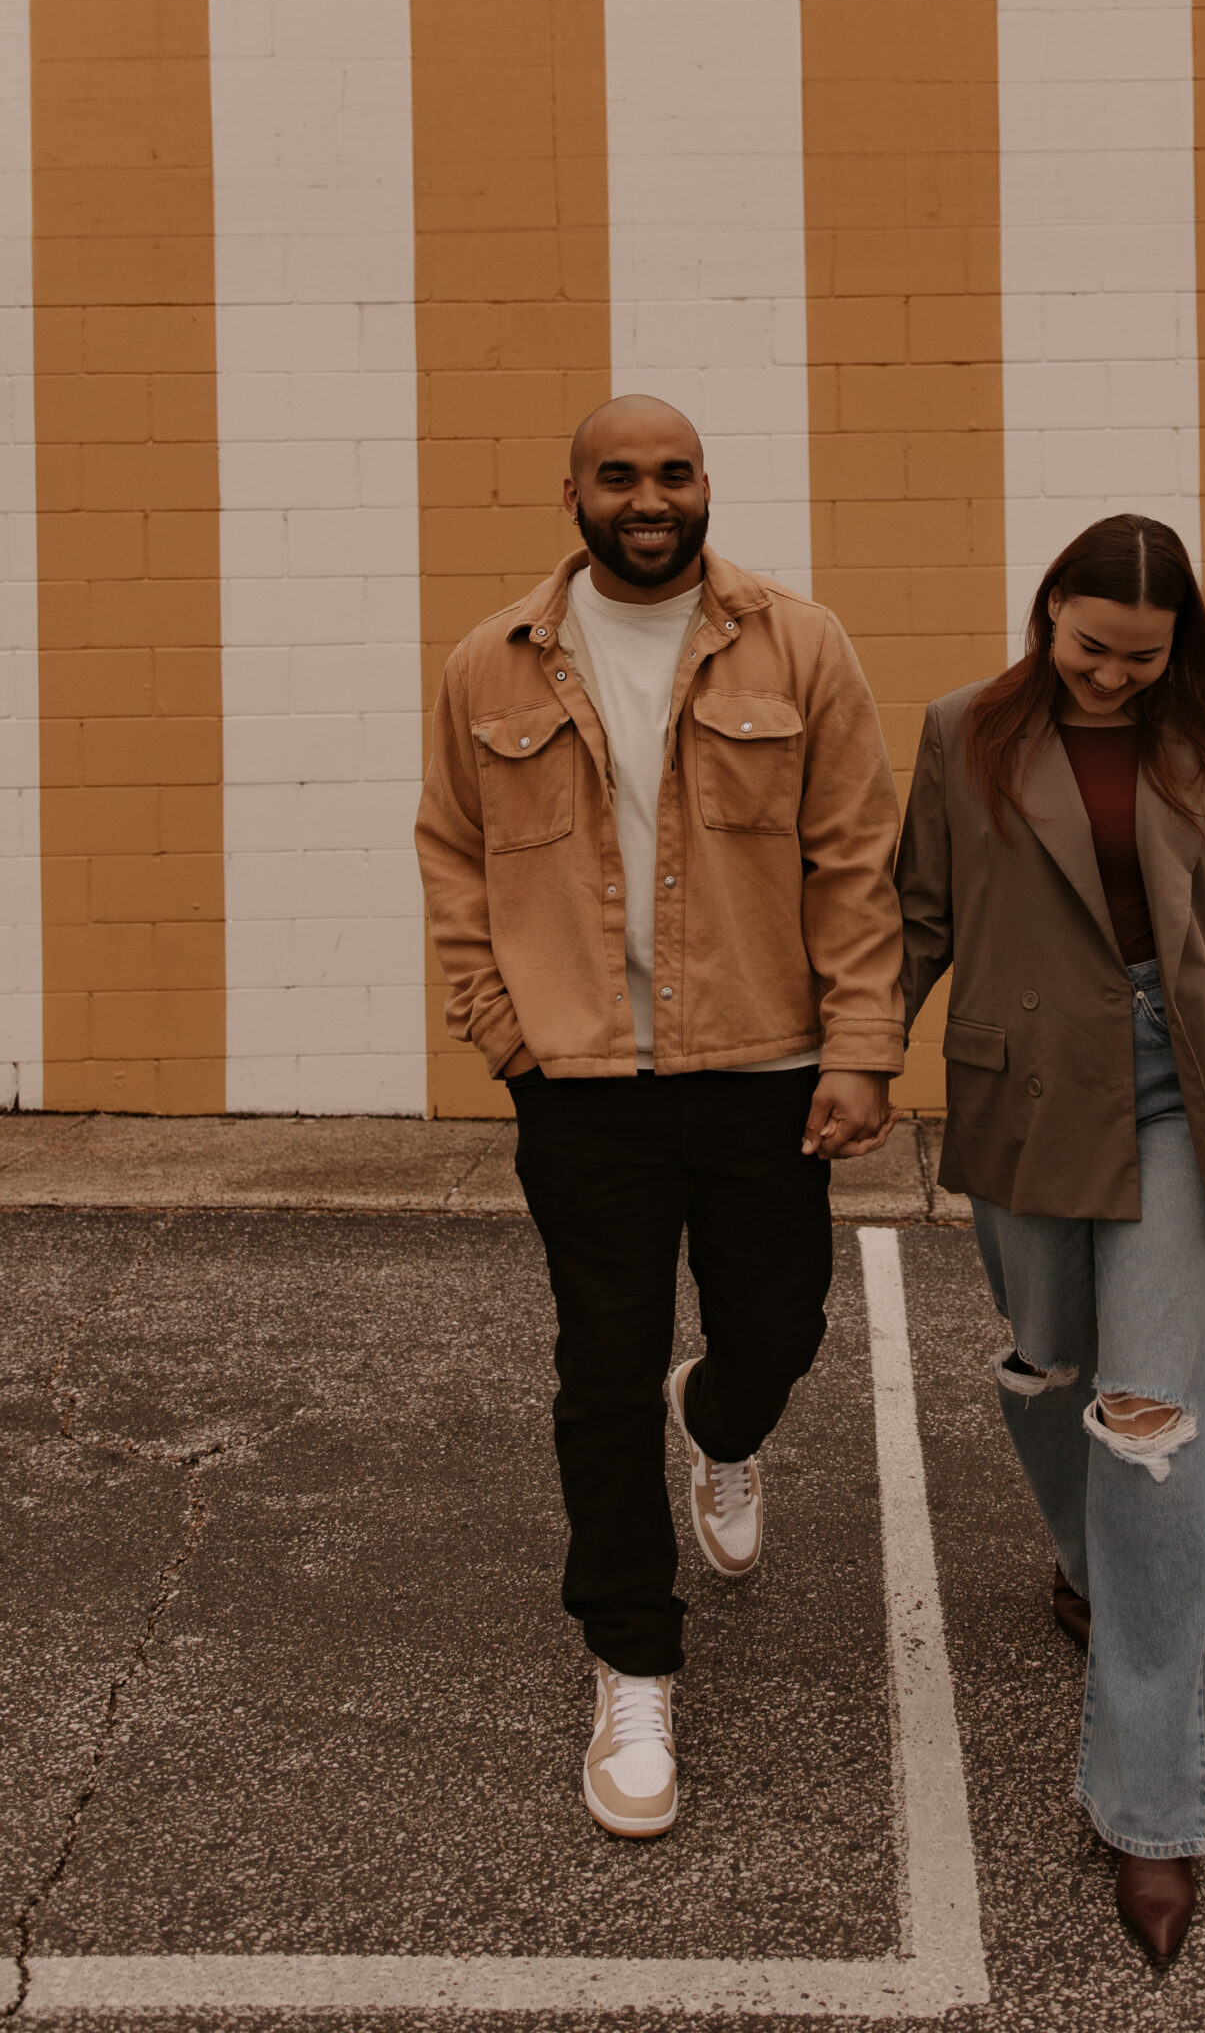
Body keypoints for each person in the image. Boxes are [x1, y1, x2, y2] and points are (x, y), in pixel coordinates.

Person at [416, 395, 903, 1839]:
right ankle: (633, 1662)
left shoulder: (799, 644)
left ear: (705, 485)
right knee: (604, 1372)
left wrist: (862, 1046)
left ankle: (724, 1417)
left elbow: (854, 855)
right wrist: (504, 1033)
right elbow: (452, 855)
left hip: (763, 1065)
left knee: (780, 1329)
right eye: (618, 475)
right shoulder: (490, 664)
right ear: (572, 493)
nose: (648, 497)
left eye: (673, 473)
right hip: (582, 1085)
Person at [894, 512, 1205, 1961]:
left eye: (1141, 659)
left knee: (1152, 1435)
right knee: (1050, 1370)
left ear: (1176, 648)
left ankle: (1155, 1814)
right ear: (1047, 615)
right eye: (1092, 648)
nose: (1111, 677)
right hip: (1023, 1089)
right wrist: (851, 1061)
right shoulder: (962, 730)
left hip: (1176, 1089)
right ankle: (1085, 1570)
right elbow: (916, 918)